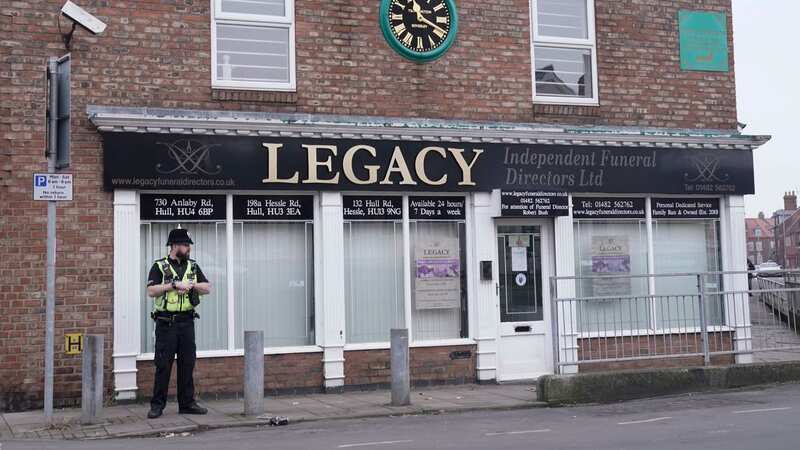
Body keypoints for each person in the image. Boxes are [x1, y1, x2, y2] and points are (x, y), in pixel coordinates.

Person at [145, 228, 211, 419]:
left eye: (188, 244)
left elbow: (207, 287)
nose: (188, 247)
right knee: (163, 365)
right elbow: (151, 291)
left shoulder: (193, 266)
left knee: (187, 364)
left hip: (187, 322)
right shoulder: (159, 266)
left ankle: (187, 403)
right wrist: (173, 285)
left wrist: (191, 286)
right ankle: (157, 405)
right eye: (185, 244)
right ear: (174, 246)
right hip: (166, 323)